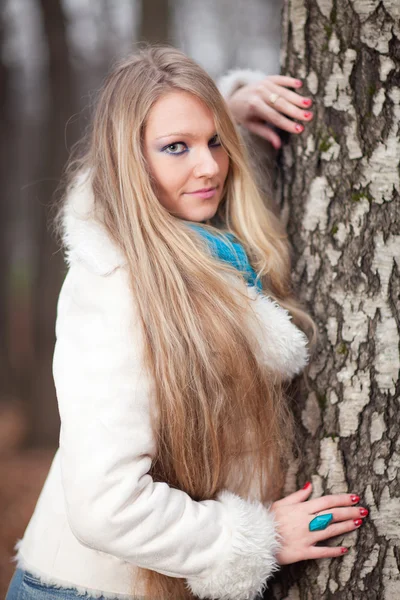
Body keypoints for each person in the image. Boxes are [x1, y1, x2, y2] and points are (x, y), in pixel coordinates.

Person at [6, 47, 368, 600]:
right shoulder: (114, 286)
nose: (210, 166)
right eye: (177, 147)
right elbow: (107, 507)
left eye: (215, 141)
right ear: (130, 161)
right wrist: (258, 540)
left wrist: (230, 111)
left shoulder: (210, 247)